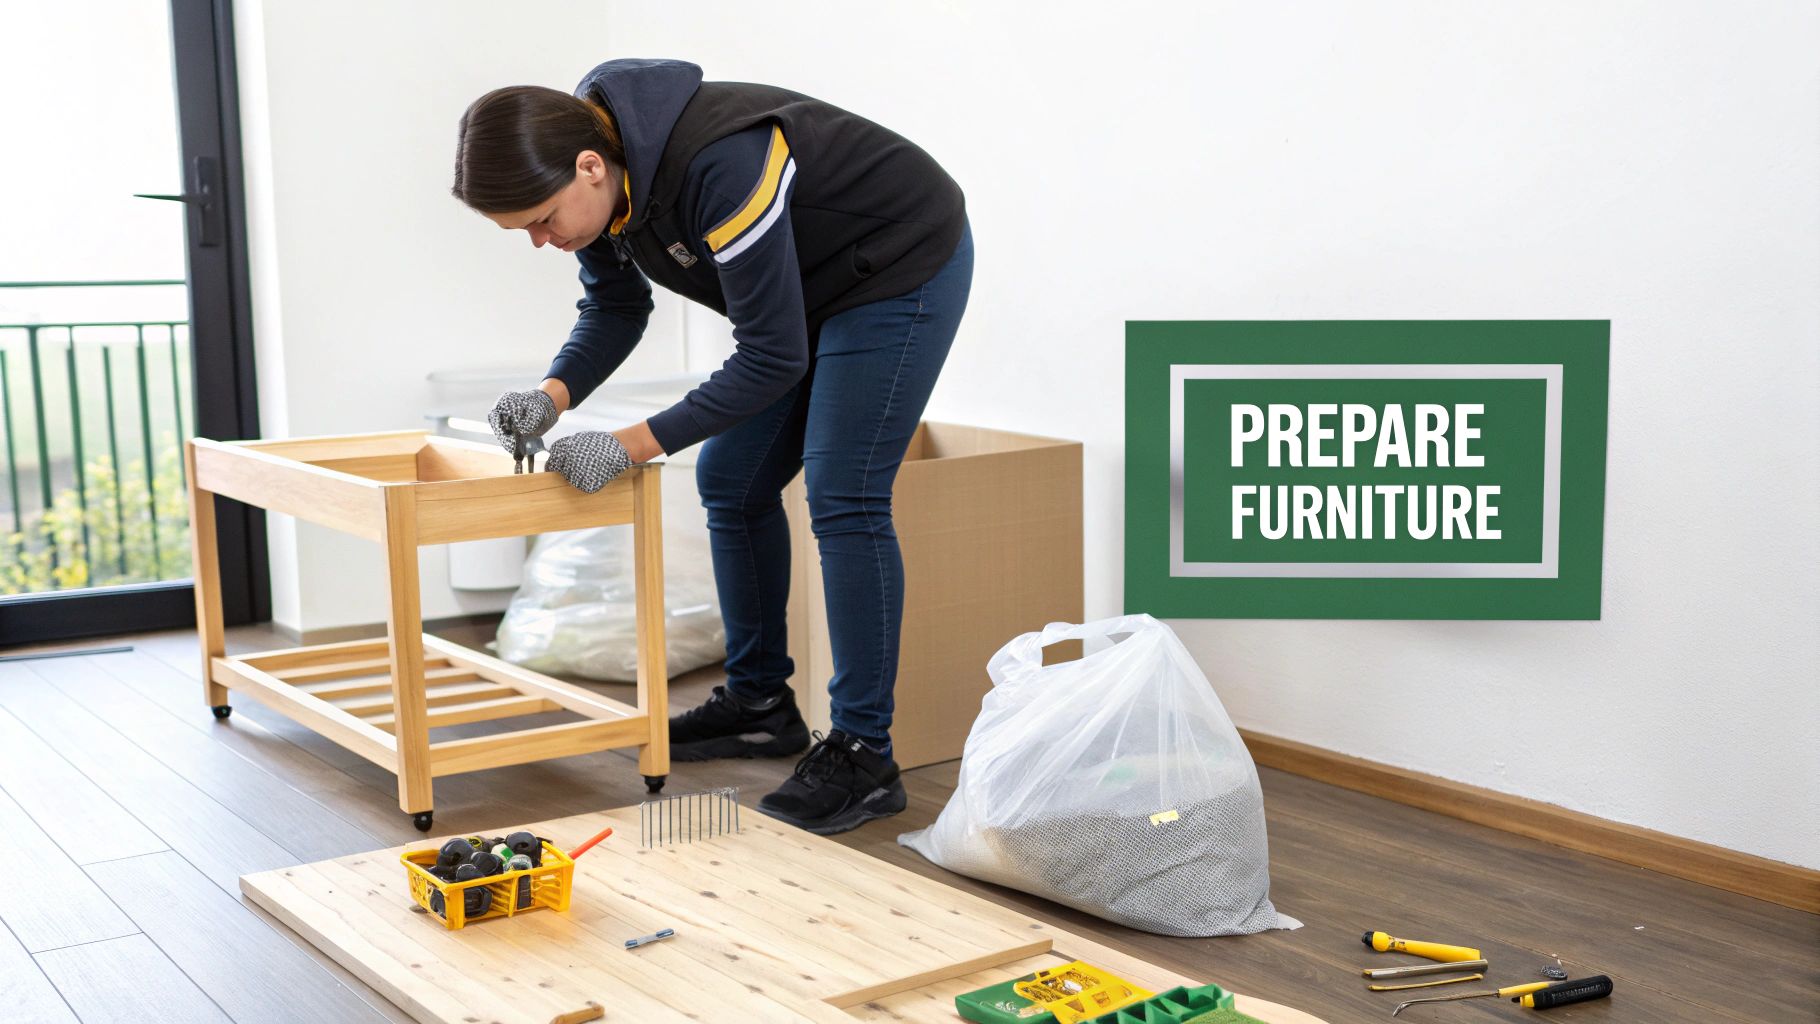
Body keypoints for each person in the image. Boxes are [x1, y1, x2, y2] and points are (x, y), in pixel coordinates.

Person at [452, 59, 971, 835]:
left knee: (844, 492)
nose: (540, 239)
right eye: (523, 230)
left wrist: (626, 446)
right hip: (810, 291)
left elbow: (770, 357)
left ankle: (864, 754)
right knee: (730, 481)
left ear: (589, 169)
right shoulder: (603, 174)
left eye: (542, 219)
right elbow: (617, 309)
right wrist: (549, 397)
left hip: (897, 266)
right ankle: (761, 704)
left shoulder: (720, 165)